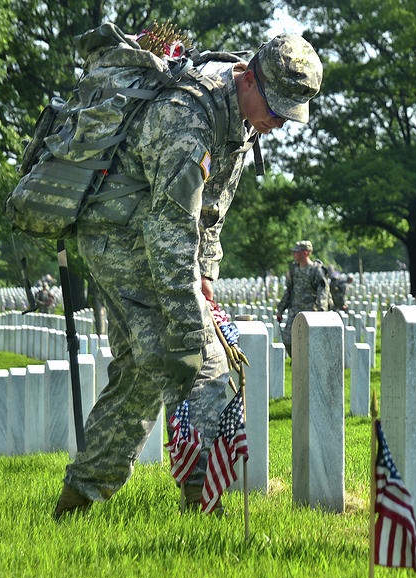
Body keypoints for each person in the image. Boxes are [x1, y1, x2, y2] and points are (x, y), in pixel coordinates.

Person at [53, 27, 323, 519]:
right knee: (183, 353)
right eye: (277, 109)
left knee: (145, 365)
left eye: (289, 115)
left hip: (157, 232)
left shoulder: (241, 124)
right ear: (249, 79)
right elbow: (169, 229)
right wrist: (188, 321)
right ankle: (198, 494)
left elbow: (210, 215)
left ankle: (82, 497)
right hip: (119, 232)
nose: (280, 124)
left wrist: (207, 280)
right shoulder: (186, 118)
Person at [275, 240, 330, 356]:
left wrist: (321, 312)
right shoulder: (294, 269)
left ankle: (308, 363)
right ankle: (298, 362)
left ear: (305, 253)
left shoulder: (316, 270)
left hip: (311, 313)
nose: (294, 254)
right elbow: (289, 291)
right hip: (295, 311)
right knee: (287, 339)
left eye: (297, 251)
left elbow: (323, 292)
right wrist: (280, 309)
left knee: (311, 342)